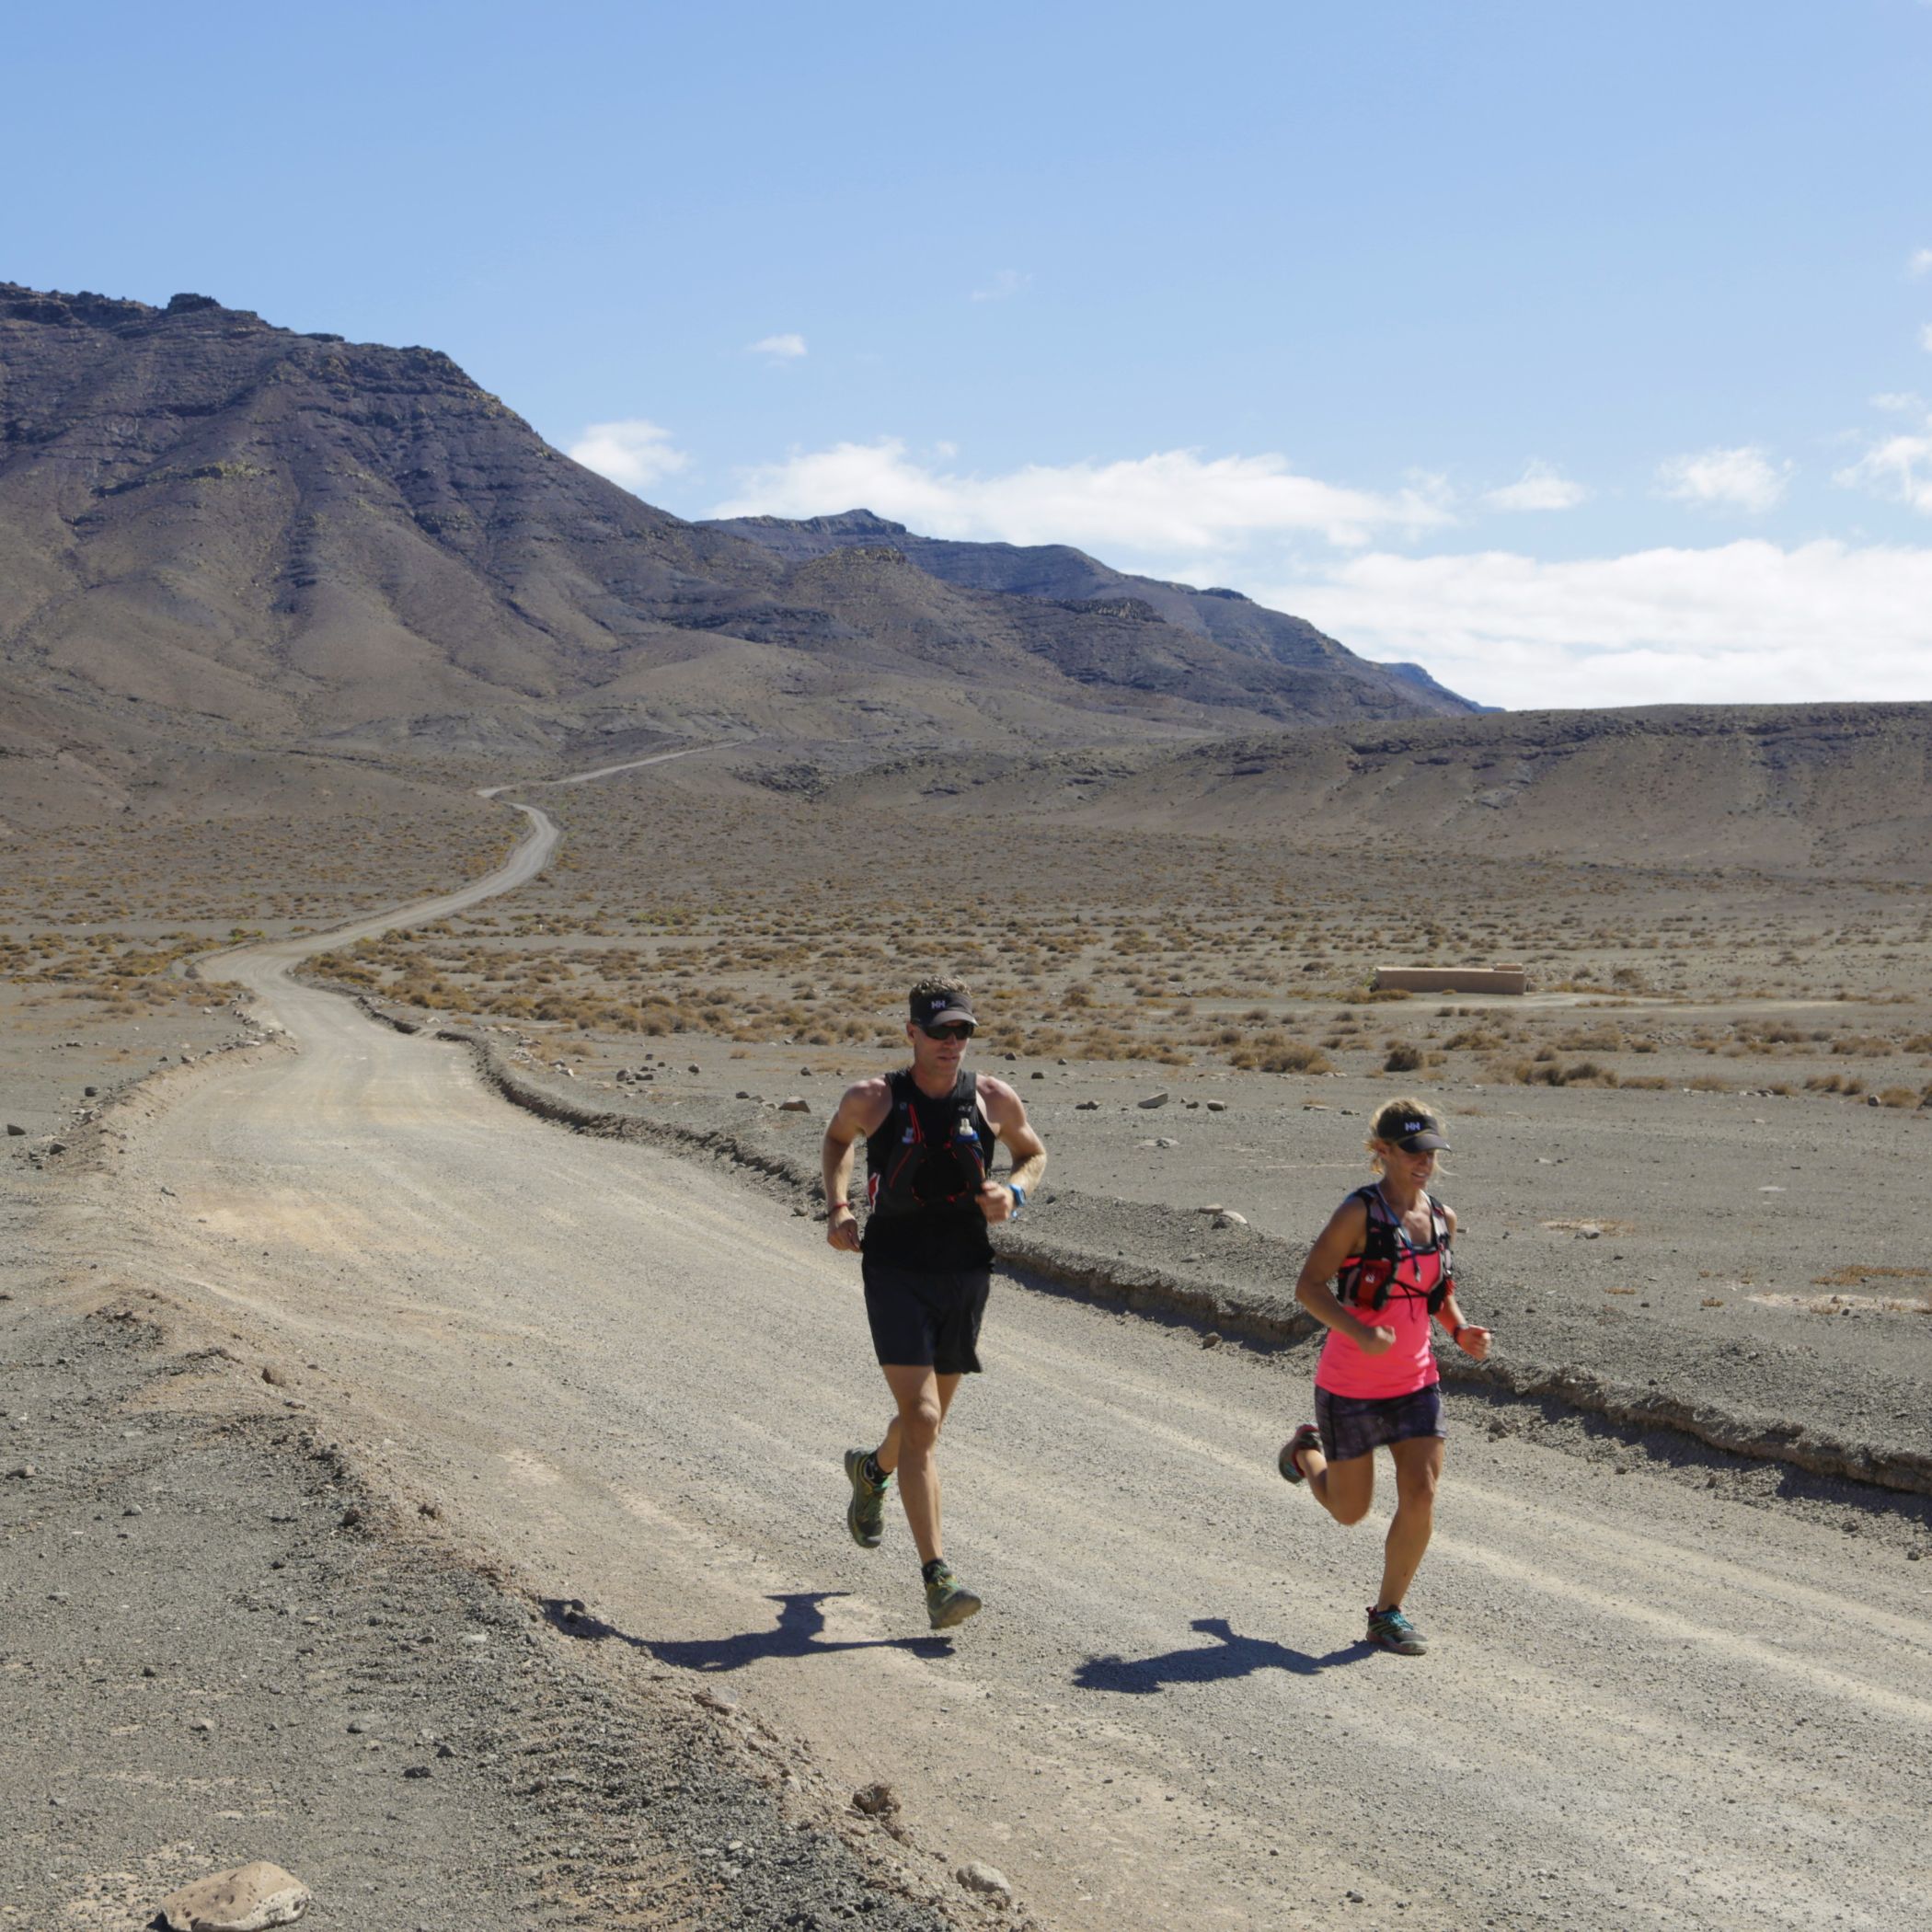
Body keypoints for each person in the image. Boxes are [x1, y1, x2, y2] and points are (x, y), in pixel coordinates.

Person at [821, 977, 1047, 1630]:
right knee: (921, 1418)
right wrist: (838, 1207)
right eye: (940, 1030)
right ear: (912, 1033)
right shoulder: (873, 1097)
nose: (952, 1042)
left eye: (962, 1031)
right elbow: (837, 1141)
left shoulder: (993, 1097)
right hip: (895, 1267)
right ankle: (937, 1579)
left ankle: (872, 1472)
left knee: (924, 1426)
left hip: (965, 1270)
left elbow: (1032, 1153)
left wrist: (1015, 1192)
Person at [1277, 1098, 1490, 1656]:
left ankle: (1387, 1614)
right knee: (1350, 1512)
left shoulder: (1442, 1218)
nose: (1425, 1163)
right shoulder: (1358, 1214)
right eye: (1413, 1152)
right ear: (1383, 1151)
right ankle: (1305, 1451)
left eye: (1431, 1153)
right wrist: (1360, 1332)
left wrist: (1460, 1330)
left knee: (1421, 1492)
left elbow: (1437, 1291)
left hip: (1416, 1383)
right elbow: (1309, 1286)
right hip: (1350, 1385)